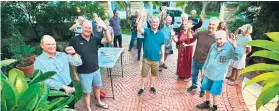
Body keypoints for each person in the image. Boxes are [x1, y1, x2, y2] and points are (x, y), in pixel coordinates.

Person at [69, 19, 112, 110]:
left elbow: (108, 39)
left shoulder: (94, 39)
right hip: (84, 73)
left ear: (92, 29)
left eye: (90, 28)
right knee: (87, 92)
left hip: (96, 70)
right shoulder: (74, 40)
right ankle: (88, 108)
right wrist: (74, 74)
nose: (88, 30)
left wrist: (105, 28)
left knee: (97, 87)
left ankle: (99, 102)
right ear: (81, 28)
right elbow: (71, 59)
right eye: (86, 28)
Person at [196, 30, 243, 111]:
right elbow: (208, 58)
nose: (218, 41)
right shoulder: (213, 46)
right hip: (208, 72)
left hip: (219, 75)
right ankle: (207, 103)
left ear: (225, 38)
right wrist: (204, 69)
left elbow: (238, 56)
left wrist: (234, 44)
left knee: (214, 91)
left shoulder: (229, 48)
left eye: (220, 39)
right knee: (206, 88)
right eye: (217, 39)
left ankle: (215, 106)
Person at [34, 35, 82, 109]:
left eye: (53, 44)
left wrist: (73, 53)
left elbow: (78, 63)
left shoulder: (63, 55)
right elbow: (44, 80)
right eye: (48, 44)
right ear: (42, 45)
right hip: (53, 92)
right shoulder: (39, 61)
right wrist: (63, 86)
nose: (52, 46)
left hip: (69, 86)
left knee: (70, 107)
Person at [186, 17, 219, 98]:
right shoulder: (201, 33)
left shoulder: (216, 38)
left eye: (213, 25)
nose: (210, 26)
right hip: (195, 59)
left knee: (204, 77)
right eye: (210, 24)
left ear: (217, 26)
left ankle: (202, 90)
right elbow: (190, 36)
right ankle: (194, 86)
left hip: (205, 62)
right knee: (193, 74)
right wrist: (188, 28)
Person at [136, 8, 165, 95]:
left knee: (154, 74)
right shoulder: (147, 31)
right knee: (144, 74)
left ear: (159, 23)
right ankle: (142, 87)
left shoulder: (161, 34)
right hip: (146, 58)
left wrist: (162, 57)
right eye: (153, 22)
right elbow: (138, 28)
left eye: (156, 22)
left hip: (156, 59)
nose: (155, 23)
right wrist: (141, 16)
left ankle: (152, 86)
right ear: (151, 23)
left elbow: (162, 45)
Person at [173, 14, 196, 81]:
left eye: (186, 24)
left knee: (187, 62)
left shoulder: (191, 32)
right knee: (181, 61)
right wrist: (173, 36)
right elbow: (178, 40)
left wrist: (187, 45)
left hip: (188, 50)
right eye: (184, 25)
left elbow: (193, 42)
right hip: (181, 50)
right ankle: (181, 74)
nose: (185, 25)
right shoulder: (181, 32)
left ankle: (187, 76)